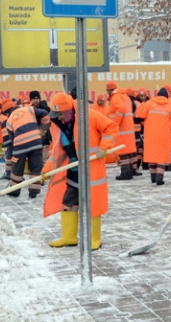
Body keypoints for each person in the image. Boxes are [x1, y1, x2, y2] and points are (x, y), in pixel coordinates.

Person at [43, 92, 118, 250]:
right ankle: (69, 236)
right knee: (68, 202)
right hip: (72, 172)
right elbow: (56, 152)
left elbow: (111, 127)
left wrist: (104, 147)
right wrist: (47, 169)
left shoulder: (88, 116)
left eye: (61, 114)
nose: (59, 118)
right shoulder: (57, 126)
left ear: (69, 111)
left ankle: (94, 239)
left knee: (93, 204)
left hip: (91, 171)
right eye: (56, 115)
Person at [5, 95, 51, 198]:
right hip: (36, 141)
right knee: (35, 166)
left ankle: (14, 190)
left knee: (17, 168)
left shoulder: (9, 120)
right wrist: (42, 128)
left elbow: (12, 140)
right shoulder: (29, 109)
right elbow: (44, 114)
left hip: (20, 144)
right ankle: (33, 191)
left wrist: (18, 149)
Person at [136, 88, 171, 185]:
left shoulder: (149, 103)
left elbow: (140, 114)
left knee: (152, 156)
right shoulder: (169, 106)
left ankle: (153, 177)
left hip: (150, 135)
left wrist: (142, 103)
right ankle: (159, 178)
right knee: (161, 158)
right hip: (163, 135)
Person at [106, 81, 137, 180]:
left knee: (123, 152)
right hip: (128, 129)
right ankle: (131, 172)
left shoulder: (116, 97)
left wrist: (115, 123)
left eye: (107, 90)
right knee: (128, 152)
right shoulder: (125, 96)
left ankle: (126, 173)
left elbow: (120, 109)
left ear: (110, 89)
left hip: (122, 129)